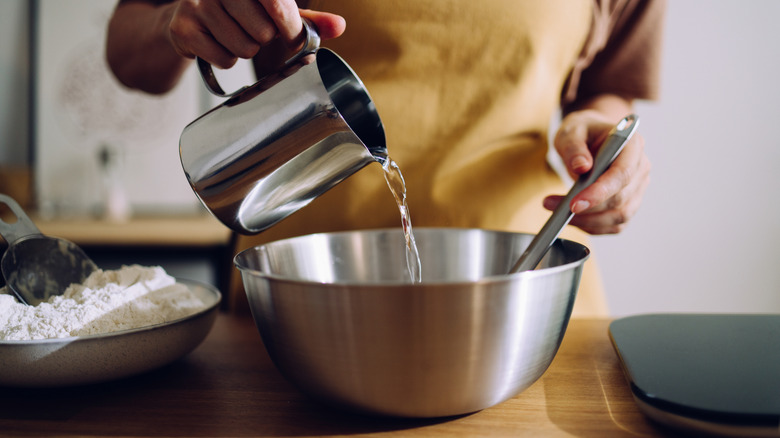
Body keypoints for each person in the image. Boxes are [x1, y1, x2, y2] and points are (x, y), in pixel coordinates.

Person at [106, 0, 664, 316]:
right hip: (301, 302)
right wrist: (179, 20)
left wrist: (598, 129)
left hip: (523, 297)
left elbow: (608, 87)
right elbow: (128, 50)